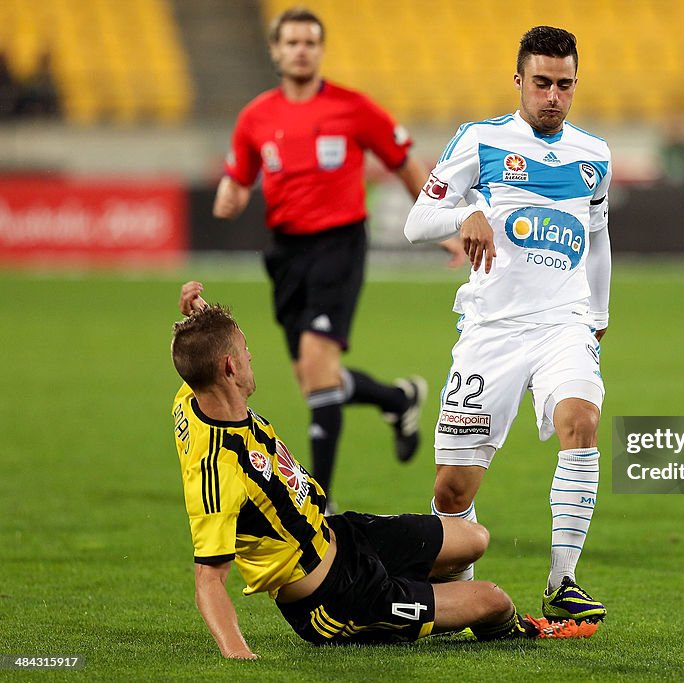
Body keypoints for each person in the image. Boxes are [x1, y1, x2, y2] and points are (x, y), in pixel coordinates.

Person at [171, 282, 594, 658]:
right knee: (495, 601)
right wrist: (238, 654)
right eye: (243, 350)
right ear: (229, 368)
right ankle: (491, 625)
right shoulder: (218, 471)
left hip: (343, 534)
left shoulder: (195, 397)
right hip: (336, 597)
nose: (250, 355)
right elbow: (209, 580)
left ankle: (431, 599)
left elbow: (200, 358)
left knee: (476, 539)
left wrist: (201, 316)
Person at [213, 7, 463, 508]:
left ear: (320, 50)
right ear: (276, 51)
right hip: (285, 253)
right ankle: (398, 400)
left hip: (340, 245)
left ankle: (318, 504)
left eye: (310, 42)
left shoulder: (353, 108)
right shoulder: (256, 117)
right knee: (313, 379)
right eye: (292, 42)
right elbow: (238, 178)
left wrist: (442, 225)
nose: (301, 50)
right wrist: (231, 197)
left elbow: (404, 164)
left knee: (318, 363)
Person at [404, 26, 611, 624]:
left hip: (563, 324)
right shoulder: (481, 141)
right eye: (542, 82)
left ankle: (563, 580)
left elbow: (598, 240)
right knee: (452, 490)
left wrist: (596, 316)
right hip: (491, 331)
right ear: (519, 80)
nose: (553, 95)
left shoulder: (594, 155)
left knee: (582, 421)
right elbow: (419, 219)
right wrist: (469, 210)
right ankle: (461, 592)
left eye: (564, 85)